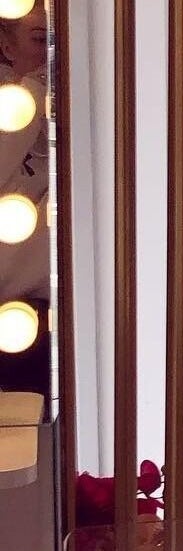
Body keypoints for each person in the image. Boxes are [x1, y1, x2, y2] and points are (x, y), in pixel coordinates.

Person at [0, 5, 50, 396]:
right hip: (13, 317)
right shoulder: (12, 108)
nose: (52, 53)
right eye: (39, 39)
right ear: (6, 43)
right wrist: (33, 90)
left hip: (70, 308)